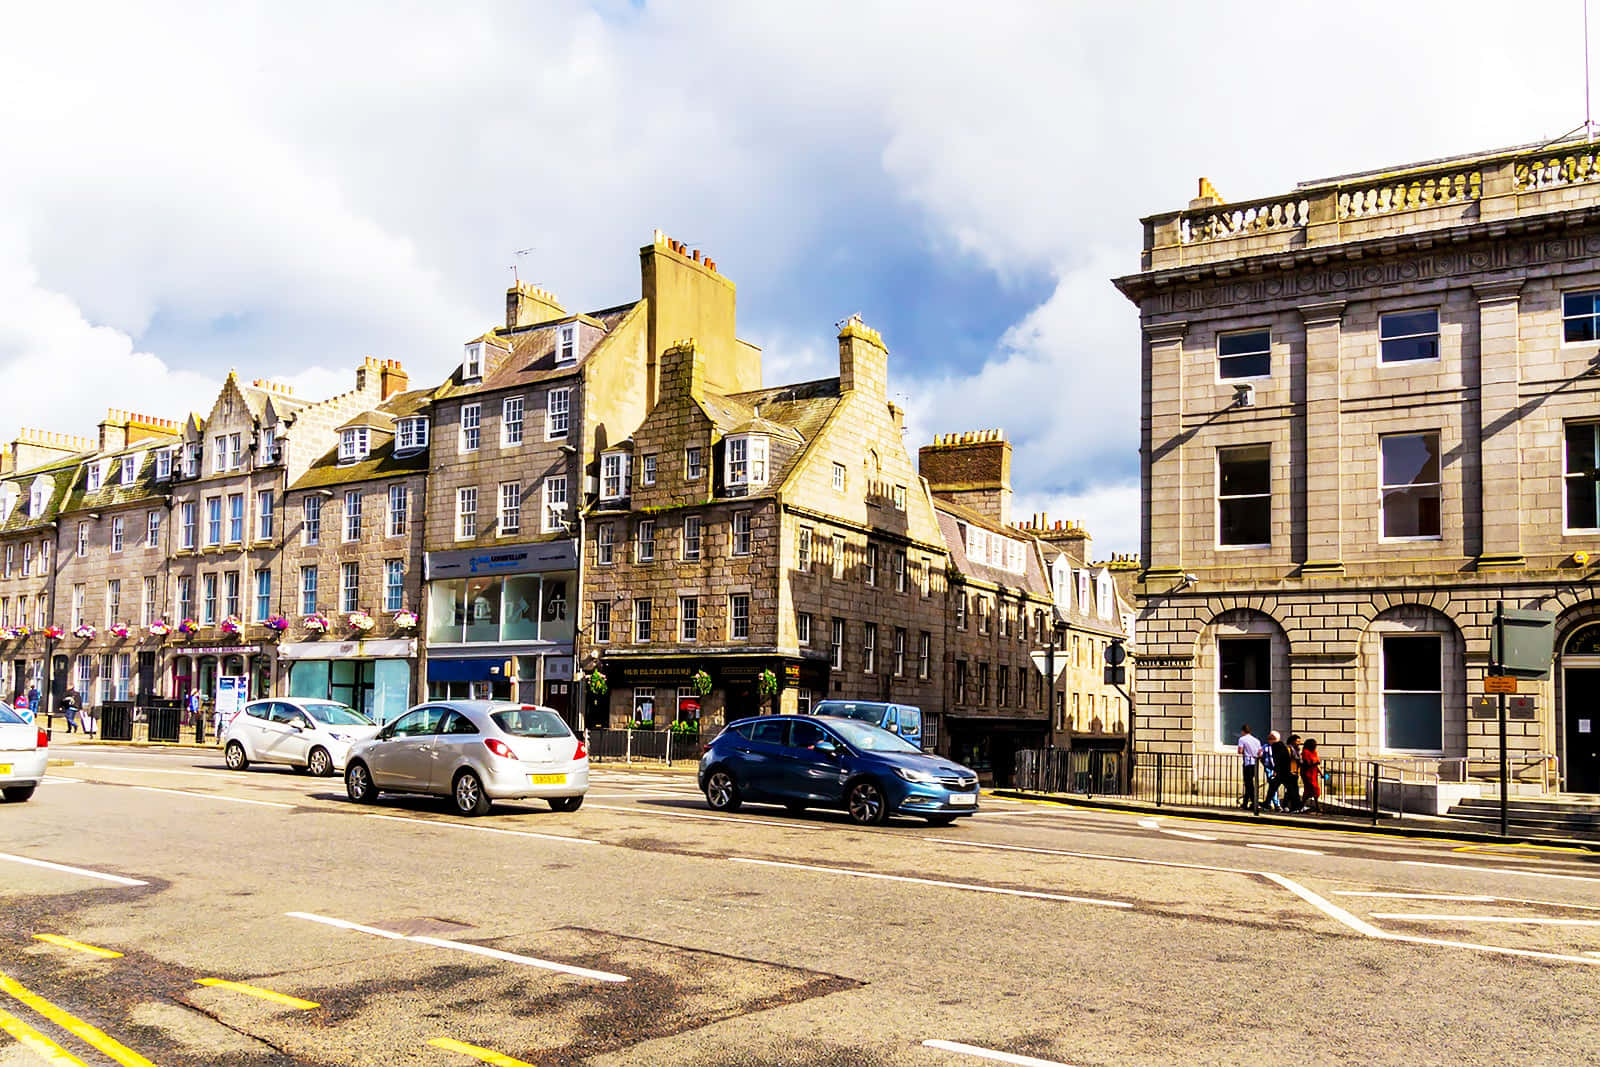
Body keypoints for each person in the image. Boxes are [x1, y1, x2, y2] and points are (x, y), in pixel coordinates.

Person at [1236, 724, 1262, 814]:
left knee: (1248, 784)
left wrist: (1245, 751)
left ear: (1243, 731)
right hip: (1255, 763)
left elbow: (1240, 751)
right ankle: (1245, 803)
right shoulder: (1256, 740)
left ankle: (1255, 803)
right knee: (1250, 783)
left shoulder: (1242, 739)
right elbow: (1260, 752)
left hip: (1247, 763)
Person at [1261, 731, 1283, 812]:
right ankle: (1275, 804)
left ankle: (1270, 804)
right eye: (1270, 739)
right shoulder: (1265, 747)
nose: (1270, 740)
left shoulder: (1279, 748)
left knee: (1273, 787)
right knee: (1273, 787)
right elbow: (1261, 757)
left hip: (1276, 769)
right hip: (1269, 768)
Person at [1301, 738, 1323, 813]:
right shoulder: (1305, 752)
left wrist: (1321, 773)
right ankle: (1315, 806)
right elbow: (1307, 763)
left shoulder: (1314, 752)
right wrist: (1315, 762)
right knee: (1311, 788)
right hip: (1307, 773)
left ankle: (1316, 806)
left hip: (1314, 773)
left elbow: (1317, 764)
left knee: (1314, 789)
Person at [1284, 734, 1305, 812]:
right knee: (1293, 790)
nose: (1299, 743)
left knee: (1291, 790)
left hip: (1296, 772)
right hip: (1290, 771)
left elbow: (1299, 759)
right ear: (1292, 741)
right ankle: (1295, 806)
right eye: (1297, 741)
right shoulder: (1289, 749)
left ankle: (1289, 805)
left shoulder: (1297, 750)